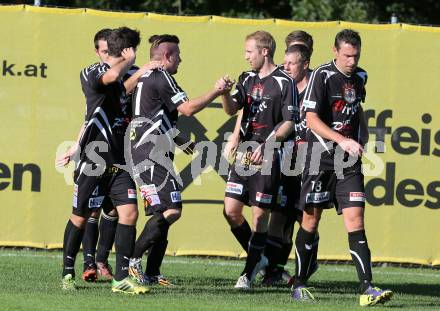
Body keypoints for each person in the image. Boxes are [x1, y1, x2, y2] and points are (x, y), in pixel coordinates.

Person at [290, 29, 393, 306]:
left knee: (356, 220)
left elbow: (356, 107)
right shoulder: (322, 76)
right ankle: (299, 283)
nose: (352, 60)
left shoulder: (360, 77)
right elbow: (311, 119)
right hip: (318, 158)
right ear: (335, 51)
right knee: (310, 222)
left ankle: (367, 287)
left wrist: (364, 134)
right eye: (347, 55)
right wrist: (342, 139)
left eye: (356, 55)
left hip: (347, 163)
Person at [127, 34, 231, 286]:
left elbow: (154, 115)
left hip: (145, 150)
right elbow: (187, 109)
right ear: (167, 56)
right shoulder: (161, 76)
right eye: (178, 55)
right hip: (150, 153)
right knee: (172, 210)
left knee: (163, 211)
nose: (180, 60)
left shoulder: (144, 77)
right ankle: (132, 260)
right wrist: (217, 91)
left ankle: (152, 272)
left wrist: (180, 139)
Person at [59, 27, 150, 295]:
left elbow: (118, 87)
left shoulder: (124, 77)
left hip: (119, 160)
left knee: (130, 213)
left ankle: (120, 279)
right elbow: (110, 77)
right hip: (94, 158)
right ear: (124, 51)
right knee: (80, 216)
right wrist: (131, 62)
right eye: (131, 48)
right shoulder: (92, 72)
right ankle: (67, 272)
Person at [220, 30, 298, 290]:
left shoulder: (284, 81)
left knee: (259, 215)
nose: (246, 57)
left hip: (268, 155)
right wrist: (224, 92)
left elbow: (289, 122)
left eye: (249, 52)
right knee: (230, 210)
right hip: (244, 153)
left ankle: (248, 272)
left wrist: (268, 145)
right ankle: (260, 258)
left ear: (265, 51)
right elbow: (233, 109)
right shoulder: (247, 78)